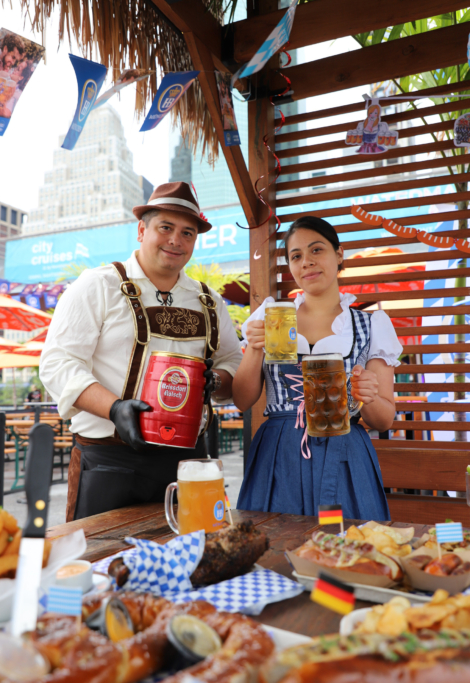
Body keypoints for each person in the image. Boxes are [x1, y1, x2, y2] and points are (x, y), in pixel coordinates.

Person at [39, 182, 242, 521]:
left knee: (192, 561)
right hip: (111, 460)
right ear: (141, 230)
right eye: (166, 228)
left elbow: (231, 360)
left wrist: (216, 378)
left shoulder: (209, 301)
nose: (176, 240)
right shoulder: (98, 285)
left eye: (188, 233)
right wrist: (114, 408)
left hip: (189, 462)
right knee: (104, 564)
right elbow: (58, 363)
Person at [234, 216, 402, 520]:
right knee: (276, 548)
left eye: (316, 250)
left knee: (339, 546)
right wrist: (255, 349)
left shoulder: (371, 325)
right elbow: (242, 400)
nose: (307, 262)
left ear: (339, 255)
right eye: (296, 256)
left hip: (344, 455)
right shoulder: (272, 316)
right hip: (278, 453)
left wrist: (369, 396)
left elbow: (384, 420)